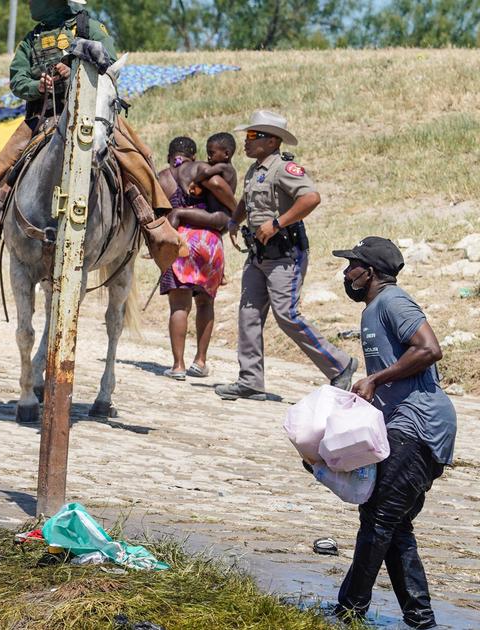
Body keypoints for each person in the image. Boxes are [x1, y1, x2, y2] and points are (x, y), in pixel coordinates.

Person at [0, 0, 184, 275]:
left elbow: (109, 64)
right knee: (5, 163)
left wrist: (74, 66)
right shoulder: (31, 40)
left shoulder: (89, 27)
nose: (30, 5)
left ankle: (153, 225)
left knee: (136, 157)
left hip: (92, 112)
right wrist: (37, 85)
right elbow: (17, 79)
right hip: (44, 116)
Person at [331, 237, 456, 629]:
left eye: (352, 265)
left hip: (420, 425)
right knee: (393, 523)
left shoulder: (393, 302)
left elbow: (429, 349)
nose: (346, 273)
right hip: (403, 426)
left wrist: (376, 379)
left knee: (380, 518)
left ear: (369, 272)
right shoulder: (373, 310)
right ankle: (420, 619)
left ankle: (349, 611)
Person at [214, 110, 356, 401]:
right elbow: (247, 198)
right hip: (259, 254)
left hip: (285, 254)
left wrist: (278, 223)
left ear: (272, 141)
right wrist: (234, 220)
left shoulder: (284, 169)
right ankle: (250, 380)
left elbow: (311, 198)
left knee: (287, 315)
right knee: (248, 315)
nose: (247, 142)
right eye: (248, 136)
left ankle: (340, 364)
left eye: (253, 136)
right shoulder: (256, 169)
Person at [156, 134, 238, 380]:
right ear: (194, 155)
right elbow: (216, 185)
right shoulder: (200, 167)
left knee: (179, 305)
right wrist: (236, 210)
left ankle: (178, 365)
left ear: (170, 156)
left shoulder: (161, 177)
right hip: (209, 240)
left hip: (178, 239)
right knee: (205, 302)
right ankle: (200, 361)